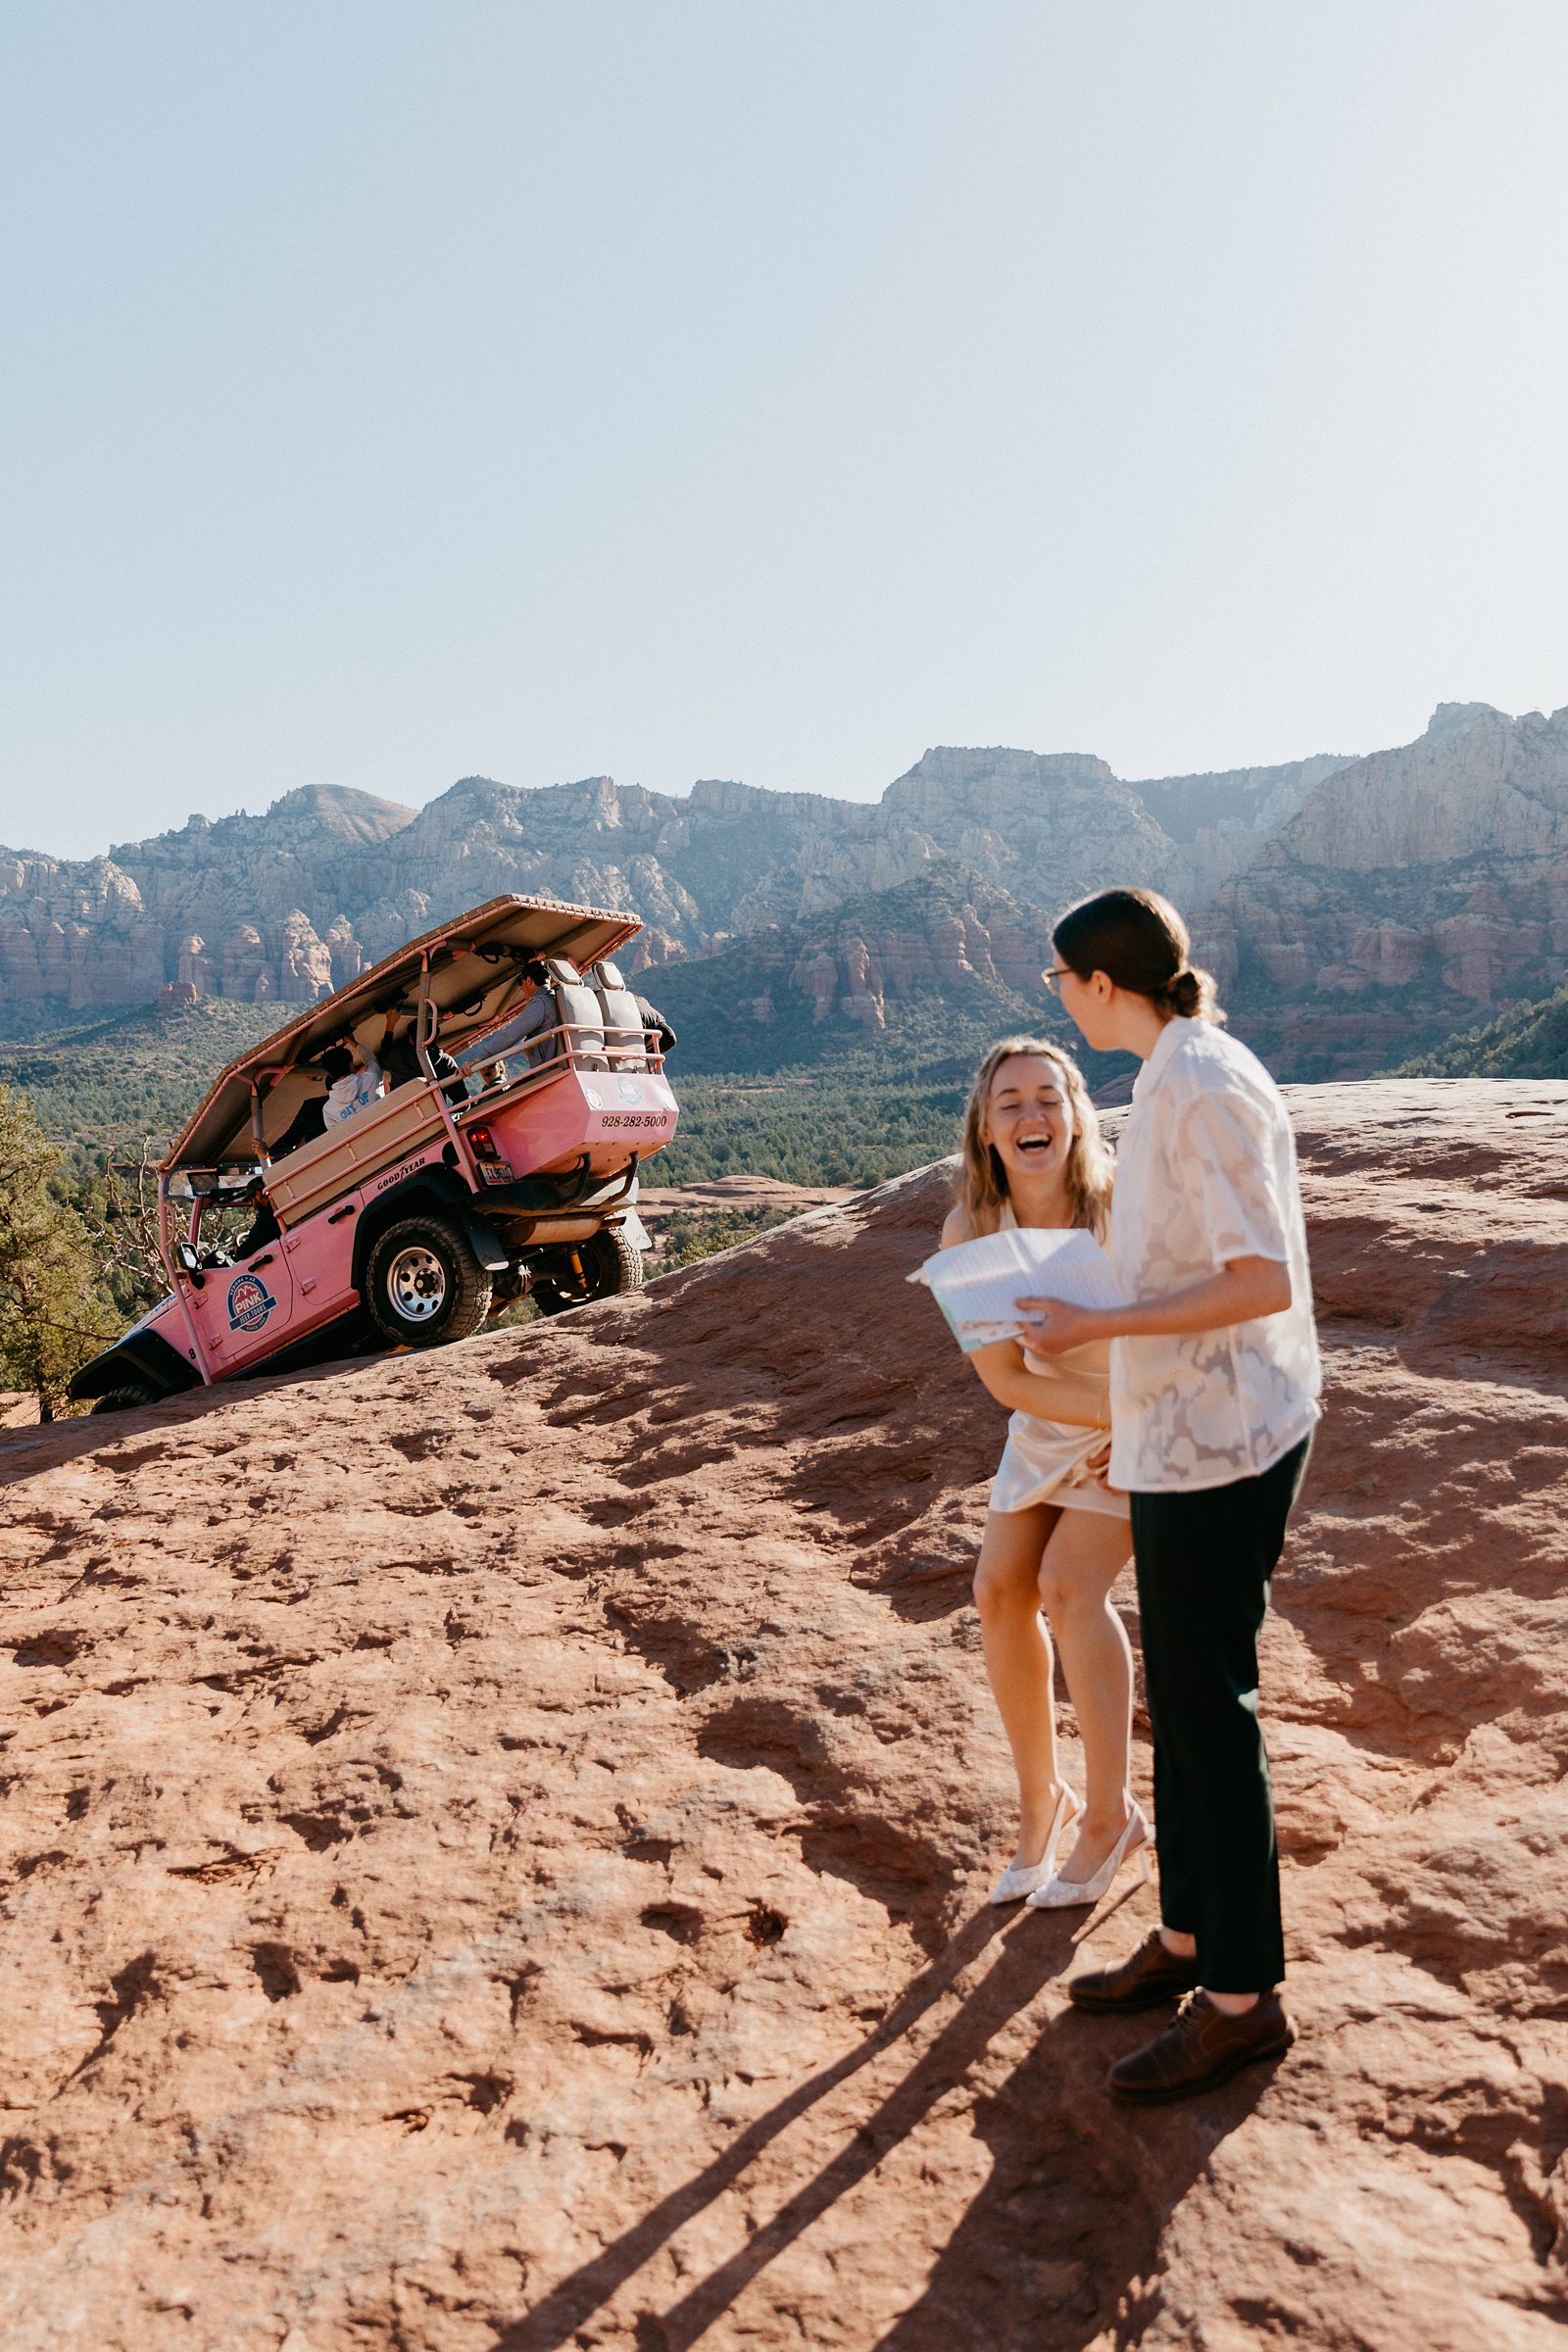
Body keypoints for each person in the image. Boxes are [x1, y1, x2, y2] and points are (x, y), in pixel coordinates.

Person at [1020, 886, 1320, 2103]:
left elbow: (1258, 1279)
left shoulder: (1199, 1082)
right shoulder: (1171, 1073)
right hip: (1181, 1431)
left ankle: (1241, 2003)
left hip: (1225, 1440)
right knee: (1189, 1708)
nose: (1059, 998)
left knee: (1211, 1712)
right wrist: (1126, 1415)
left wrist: (1096, 1328)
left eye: (1060, 979)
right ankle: (1191, 1936)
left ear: (1100, 982)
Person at [941, 1039, 1144, 1912]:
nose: (1033, 1115)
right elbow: (1006, 1381)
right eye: (1011, 1102)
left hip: (1149, 1411)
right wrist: (1100, 1416)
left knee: (1068, 1586)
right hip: (1054, 1419)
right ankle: (1041, 1801)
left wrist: (1133, 1421)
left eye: (1049, 1098)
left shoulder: (1124, 1202)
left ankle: (1111, 1815)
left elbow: (1187, 1322)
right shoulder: (971, 1230)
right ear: (986, 1129)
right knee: (998, 1591)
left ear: (1078, 1115)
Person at [319, 1041, 383, 1127]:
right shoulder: (372, 1078)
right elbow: (371, 1060)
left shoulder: (328, 1111)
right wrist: (353, 1042)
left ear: (330, 1075)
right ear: (351, 1065)